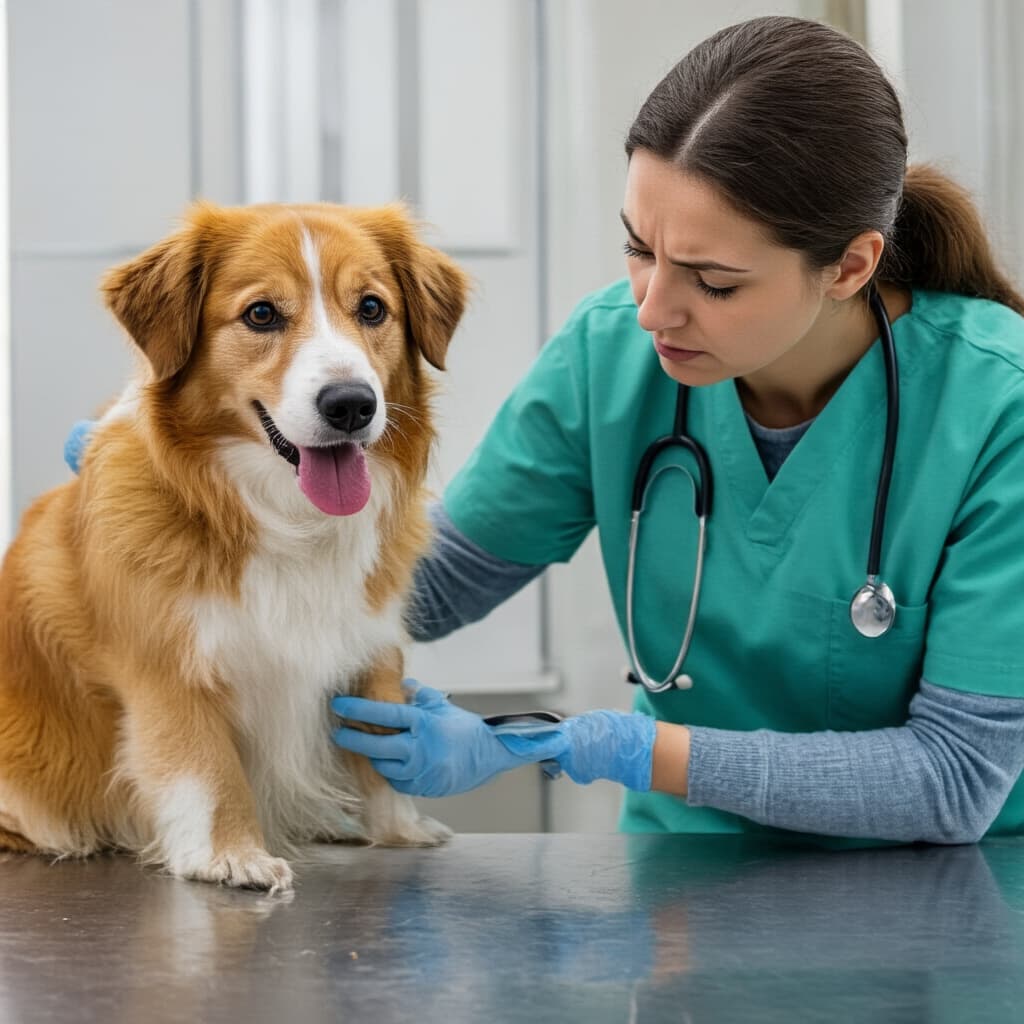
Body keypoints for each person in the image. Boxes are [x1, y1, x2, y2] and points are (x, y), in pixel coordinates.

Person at [67, 16, 1024, 845]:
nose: (653, 310)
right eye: (638, 250)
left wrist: (618, 746)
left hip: (948, 903)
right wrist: (192, 521)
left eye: (714, 281)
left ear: (852, 267)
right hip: (683, 886)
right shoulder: (613, 354)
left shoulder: (997, 408)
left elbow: (951, 782)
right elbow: (423, 587)